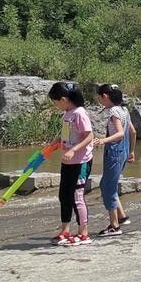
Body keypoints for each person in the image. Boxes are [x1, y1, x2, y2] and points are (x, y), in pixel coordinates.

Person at [48, 81, 95, 246]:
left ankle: (84, 233)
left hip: (80, 162)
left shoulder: (80, 113)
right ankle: (65, 230)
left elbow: (89, 136)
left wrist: (73, 150)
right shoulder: (67, 113)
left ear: (63, 99)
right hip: (67, 161)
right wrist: (54, 144)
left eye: (55, 102)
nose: (55, 105)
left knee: (77, 196)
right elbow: (66, 135)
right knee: (64, 196)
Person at [93, 83, 135, 237]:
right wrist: (131, 151)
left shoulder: (114, 111)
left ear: (105, 96)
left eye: (100, 98)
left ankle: (114, 226)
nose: (100, 101)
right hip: (123, 152)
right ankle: (122, 217)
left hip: (114, 152)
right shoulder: (124, 110)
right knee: (109, 184)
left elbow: (119, 134)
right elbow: (133, 132)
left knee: (107, 187)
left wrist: (102, 141)